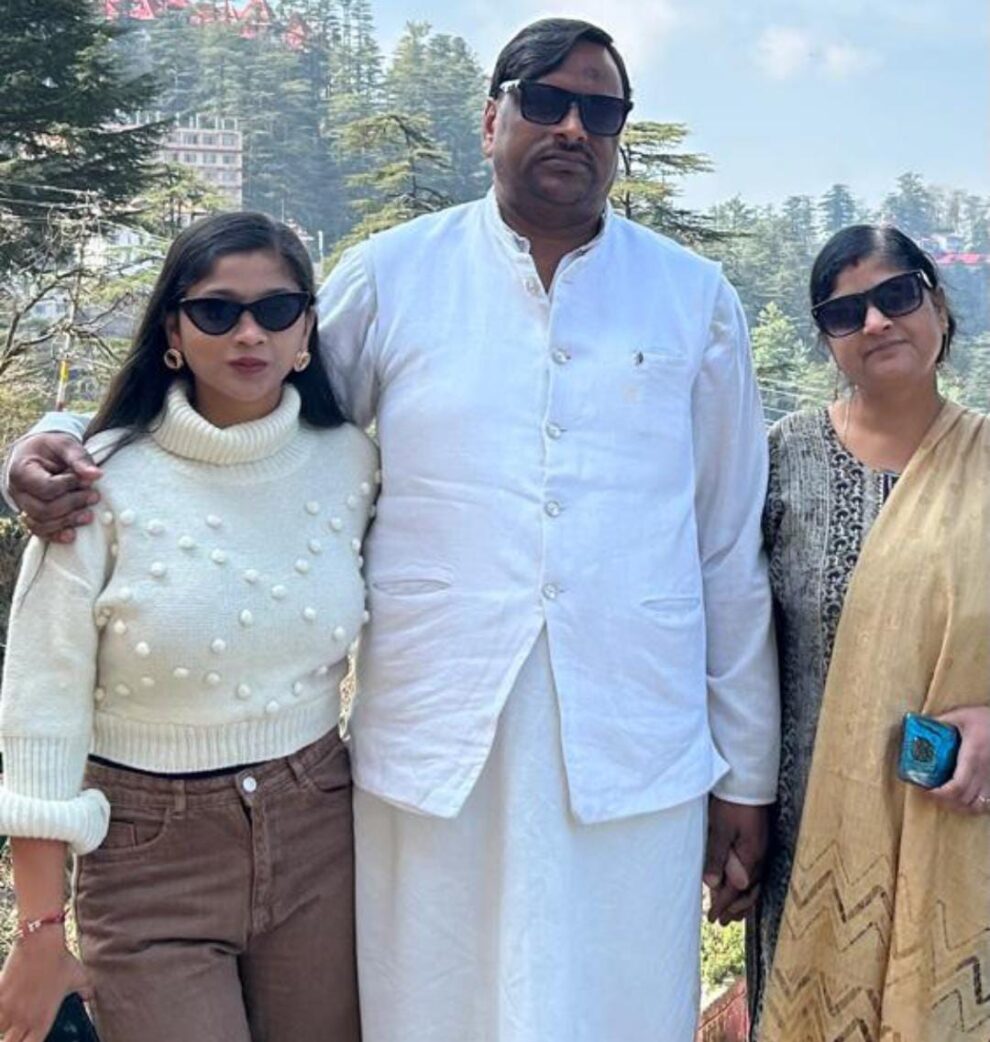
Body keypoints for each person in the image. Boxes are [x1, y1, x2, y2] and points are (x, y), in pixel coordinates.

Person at [5, 19, 779, 1042]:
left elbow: (726, 547)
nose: (572, 127)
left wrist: (745, 772)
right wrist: (60, 436)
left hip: (635, 742)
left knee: (618, 1006)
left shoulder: (693, 299)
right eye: (546, 101)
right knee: (432, 1007)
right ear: (492, 118)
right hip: (434, 746)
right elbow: (244, 395)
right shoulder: (398, 274)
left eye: (600, 110)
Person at [0, 212, 376, 1042]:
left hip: (322, 829)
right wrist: (38, 933)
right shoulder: (94, 482)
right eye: (215, 311)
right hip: (147, 856)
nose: (249, 333)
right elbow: (41, 713)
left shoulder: (354, 462)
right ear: (172, 330)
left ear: (307, 330)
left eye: (276, 309)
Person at [748, 225, 990, 1042]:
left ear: (937, 304)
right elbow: (727, 642)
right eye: (846, 312)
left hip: (961, 827)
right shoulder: (781, 460)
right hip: (806, 838)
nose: (877, 322)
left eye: (896, 295)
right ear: (827, 339)